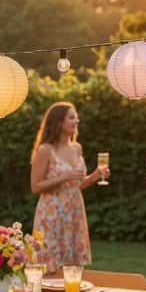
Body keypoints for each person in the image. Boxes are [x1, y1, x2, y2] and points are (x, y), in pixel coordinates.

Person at [30, 101, 110, 274]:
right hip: (52, 214)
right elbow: (35, 187)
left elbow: (77, 185)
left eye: (76, 118)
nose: (76, 121)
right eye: (72, 117)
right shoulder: (45, 150)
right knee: (49, 268)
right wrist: (64, 177)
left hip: (74, 212)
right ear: (59, 122)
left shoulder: (77, 148)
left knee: (73, 270)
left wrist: (95, 176)